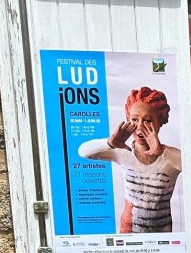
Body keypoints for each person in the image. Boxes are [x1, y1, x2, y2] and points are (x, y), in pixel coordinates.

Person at [78, 86, 182, 233]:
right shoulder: (123, 152)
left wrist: (162, 152)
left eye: (148, 120)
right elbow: (83, 152)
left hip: (161, 235)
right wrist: (109, 143)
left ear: (160, 121)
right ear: (128, 119)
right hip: (129, 232)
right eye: (134, 119)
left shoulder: (169, 157)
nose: (140, 127)